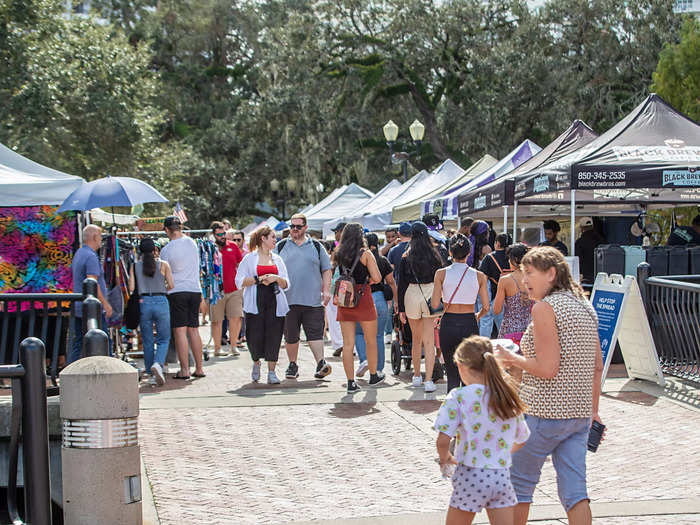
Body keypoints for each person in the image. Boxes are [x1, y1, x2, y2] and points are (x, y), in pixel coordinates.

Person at [495, 246, 605, 525]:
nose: (524, 280)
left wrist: (511, 358)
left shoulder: (545, 308)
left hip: (543, 413)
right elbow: (597, 366)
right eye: (523, 273)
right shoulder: (585, 305)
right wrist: (593, 411)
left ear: (552, 274)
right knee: (575, 492)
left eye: (530, 273)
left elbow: (547, 368)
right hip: (578, 416)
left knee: (518, 486)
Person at [435, 335, 530, 525]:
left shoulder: (459, 396)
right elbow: (522, 438)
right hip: (500, 475)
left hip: (470, 474)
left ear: (461, 366)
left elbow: (443, 439)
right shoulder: (506, 396)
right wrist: (502, 453)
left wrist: (445, 457)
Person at [276, 213, 333, 380]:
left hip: (313, 300)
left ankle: (320, 363)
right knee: (291, 335)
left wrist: (327, 290)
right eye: (292, 226)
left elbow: (326, 269)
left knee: (315, 333)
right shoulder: (280, 246)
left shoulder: (316, 246)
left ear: (305, 228)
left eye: (298, 226)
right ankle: (292, 364)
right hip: (288, 300)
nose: (294, 229)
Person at [431, 234, 490, 393]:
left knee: (451, 371)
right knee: (469, 371)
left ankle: (452, 408)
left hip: (449, 322)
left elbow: (435, 304)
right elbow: (486, 307)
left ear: (450, 252)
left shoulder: (441, 274)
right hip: (469, 321)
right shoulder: (479, 276)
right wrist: (477, 316)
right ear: (469, 253)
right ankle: (468, 409)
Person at [333, 223, 384, 393]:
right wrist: (368, 279)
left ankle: (350, 382)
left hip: (345, 298)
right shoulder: (366, 254)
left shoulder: (339, 253)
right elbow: (377, 277)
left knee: (348, 344)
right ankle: (373, 374)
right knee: (371, 340)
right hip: (363, 297)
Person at [236, 226, 290, 384]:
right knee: (254, 335)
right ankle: (256, 362)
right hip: (256, 300)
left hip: (274, 300)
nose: (275, 240)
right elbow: (239, 281)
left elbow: (286, 283)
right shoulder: (249, 259)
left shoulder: (277, 259)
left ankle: (272, 371)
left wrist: (275, 278)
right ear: (263, 239)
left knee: (274, 335)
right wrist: (258, 278)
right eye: (272, 237)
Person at [397, 221, 445, 392]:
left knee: (416, 339)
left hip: (411, 294)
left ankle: (416, 376)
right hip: (431, 294)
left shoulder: (406, 256)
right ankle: (429, 380)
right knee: (429, 341)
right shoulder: (435, 255)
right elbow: (441, 280)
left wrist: (401, 308)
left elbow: (401, 283)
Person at [160, 215, 205, 379]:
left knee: (180, 330)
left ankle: (185, 369)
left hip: (176, 291)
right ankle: (199, 368)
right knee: (194, 329)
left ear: (166, 230)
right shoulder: (192, 243)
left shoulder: (166, 250)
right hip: (194, 289)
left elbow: (164, 274)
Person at [128, 238, 174, 385]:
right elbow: (171, 285)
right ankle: (158, 364)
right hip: (161, 301)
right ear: (155, 249)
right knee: (164, 338)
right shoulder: (163, 265)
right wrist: (161, 289)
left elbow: (131, 288)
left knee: (147, 341)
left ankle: (150, 371)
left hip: (144, 303)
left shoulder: (134, 266)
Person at [354, 233, 398, 377]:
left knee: (359, 333)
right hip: (379, 299)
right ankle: (378, 369)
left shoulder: (356, 258)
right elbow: (391, 282)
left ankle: (364, 360)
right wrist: (396, 301)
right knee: (378, 335)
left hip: (360, 298)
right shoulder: (382, 260)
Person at [69, 224, 113, 364]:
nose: (101, 240)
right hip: (92, 308)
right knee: (103, 340)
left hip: (79, 306)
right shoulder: (91, 257)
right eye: (100, 236)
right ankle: (108, 371)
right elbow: (92, 283)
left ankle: (71, 371)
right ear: (94, 237)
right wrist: (105, 304)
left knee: (79, 342)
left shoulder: (79, 253)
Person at [209, 221, 244, 357]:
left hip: (234, 289)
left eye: (224, 233)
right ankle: (217, 348)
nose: (222, 236)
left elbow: (239, 264)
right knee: (217, 320)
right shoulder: (210, 248)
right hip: (217, 290)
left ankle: (233, 346)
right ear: (214, 235)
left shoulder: (233, 246)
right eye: (219, 234)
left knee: (236, 317)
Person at [493, 243, 533, 346]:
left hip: (510, 331)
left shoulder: (505, 280)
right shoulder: (534, 278)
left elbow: (496, 310)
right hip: (530, 330)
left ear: (514, 259)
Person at [479, 232, 512, 334]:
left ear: (497, 243)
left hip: (493, 294)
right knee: (503, 325)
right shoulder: (512, 258)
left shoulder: (489, 257)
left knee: (486, 321)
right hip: (509, 295)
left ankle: (484, 347)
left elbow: (482, 278)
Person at [574, 217, 605, 285]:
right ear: (592, 226)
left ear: (581, 228)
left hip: (586, 277)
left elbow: (578, 259)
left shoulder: (580, 242)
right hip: (601, 276)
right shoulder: (602, 240)